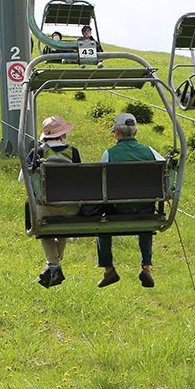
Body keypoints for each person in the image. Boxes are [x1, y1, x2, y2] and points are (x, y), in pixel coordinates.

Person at [94, 112, 165, 289]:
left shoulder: (109, 154)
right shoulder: (151, 152)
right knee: (146, 223)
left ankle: (109, 269)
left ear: (117, 133)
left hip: (118, 211)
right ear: (135, 132)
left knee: (101, 223)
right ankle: (146, 267)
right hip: (145, 211)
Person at [26, 116, 81, 288]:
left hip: (46, 209)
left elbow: (24, 179)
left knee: (44, 227)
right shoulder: (73, 152)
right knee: (62, 226)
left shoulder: (38, 153)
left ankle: (54, 266)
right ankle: (53, 266)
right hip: (71, 209)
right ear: (63, 134)